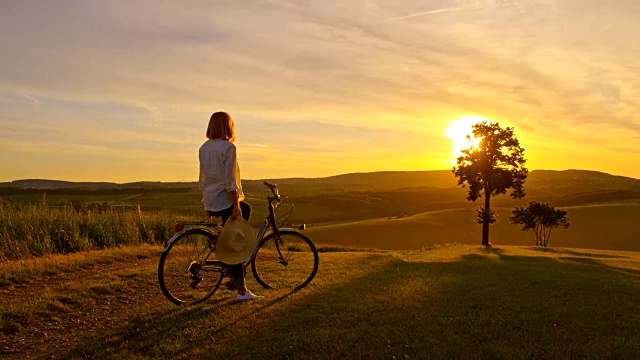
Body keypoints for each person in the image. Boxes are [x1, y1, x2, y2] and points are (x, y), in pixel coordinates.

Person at [199, 111, 263, 300]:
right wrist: (235, 203)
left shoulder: (204, 148)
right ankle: (241, 289)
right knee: (235, 240)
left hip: (210, 198)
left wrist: (207, 203)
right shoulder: (228, 147)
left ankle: (226, 256)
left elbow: (204, 178)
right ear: (228, 127)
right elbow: (230, 179)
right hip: (224, 198)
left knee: (235, 227)